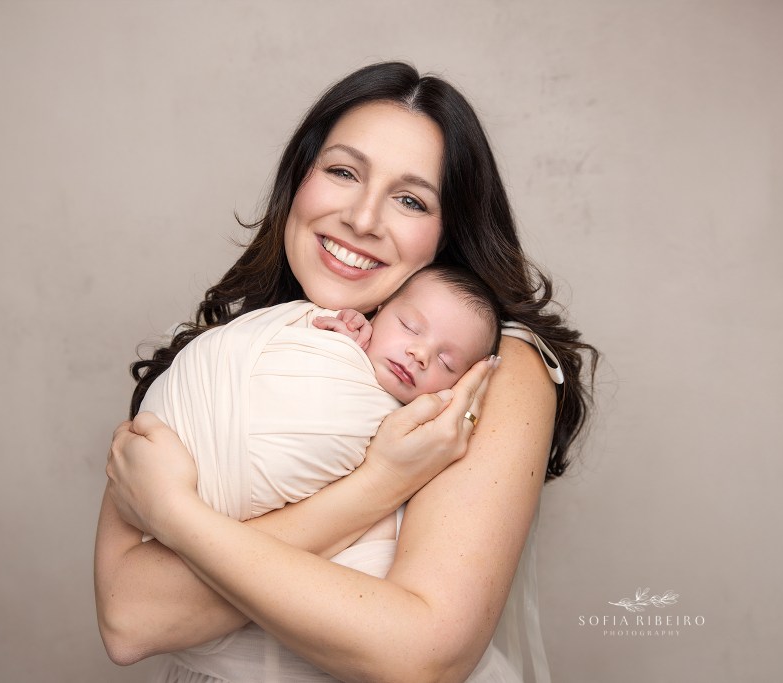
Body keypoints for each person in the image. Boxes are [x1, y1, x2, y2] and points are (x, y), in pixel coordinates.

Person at [96, 61, 597, 682]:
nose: (362, 219)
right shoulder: (228, 353)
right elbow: (129, 620)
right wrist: (377, 486)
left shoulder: (487, 366)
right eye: (342, 172)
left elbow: (422, 655)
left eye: (411, 199)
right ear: (297, 182)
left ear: (449, 230)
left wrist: (174, 515)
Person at [139, 263, 501, 529]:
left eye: (446, 361)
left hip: (231, 524)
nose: (420, 354)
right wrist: (336, 335)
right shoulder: (335, 334)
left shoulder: (425, 433)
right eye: (409, 327)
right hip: (189, 452)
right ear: (377, 311)